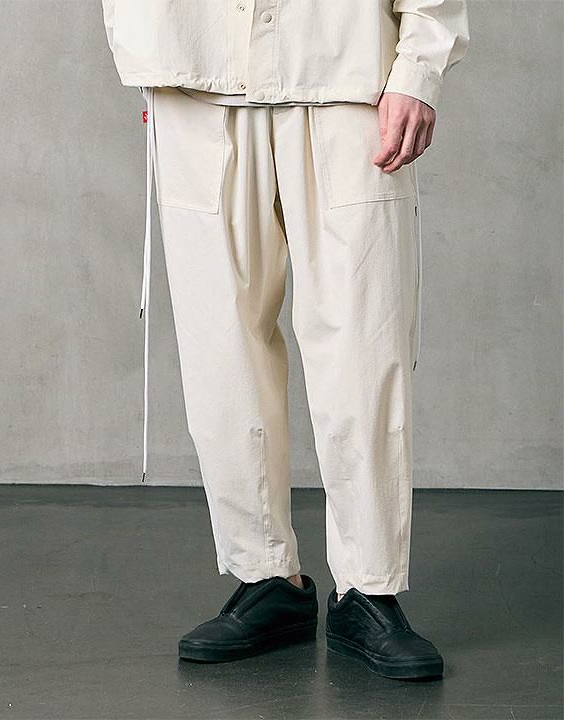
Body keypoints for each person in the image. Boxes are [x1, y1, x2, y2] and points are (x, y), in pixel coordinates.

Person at [101, 0, 470, 679]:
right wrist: (138, 41)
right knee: (221, 348)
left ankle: (368, 587)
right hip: (195, 69)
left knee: (364, 343)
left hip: (344, 61)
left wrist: (419, 66)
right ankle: (264, 573)